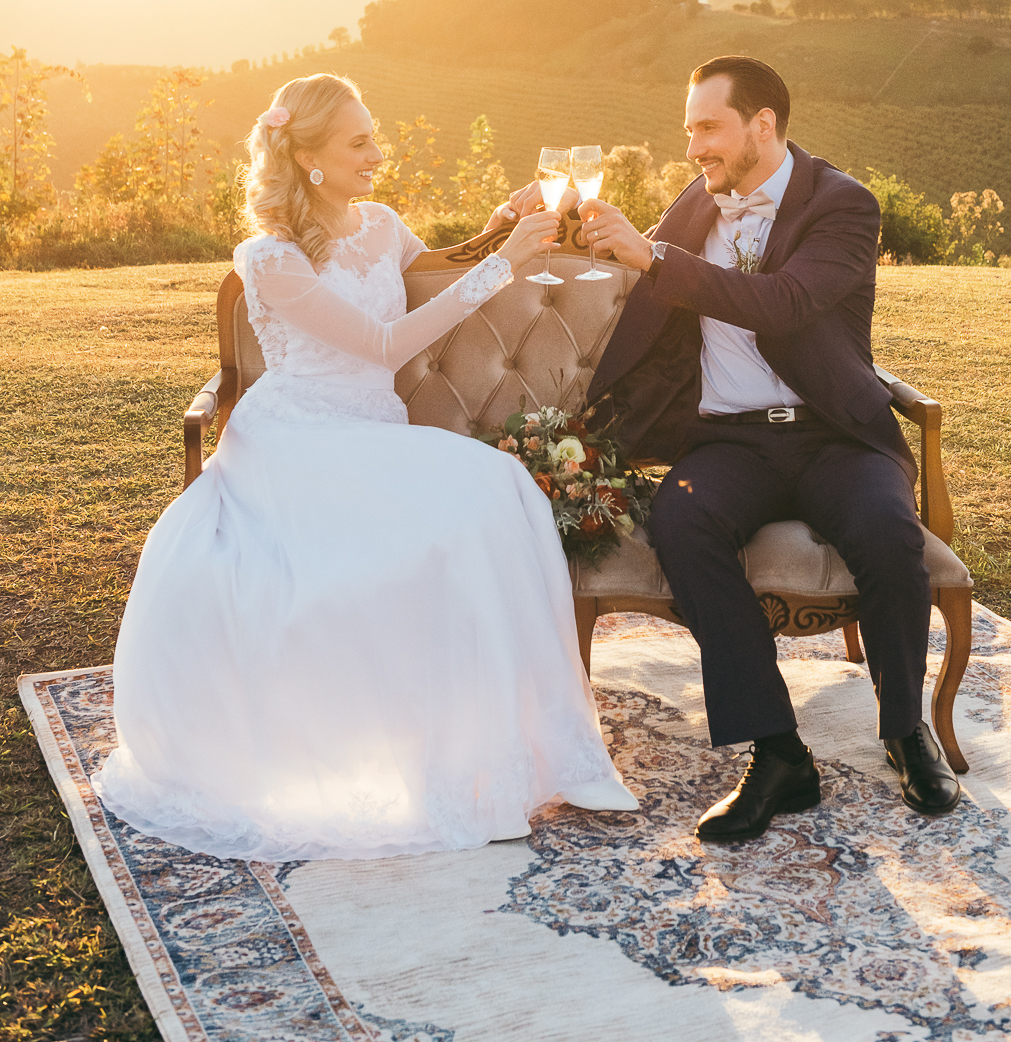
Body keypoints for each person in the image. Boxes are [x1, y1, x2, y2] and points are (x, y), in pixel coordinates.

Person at [94, 72, 636, 861]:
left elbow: (438, 267)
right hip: (297, 446)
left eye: (374, 136)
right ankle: (462, 778)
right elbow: (383, 344)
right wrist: (506, 266)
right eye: (359, 142)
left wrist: (501, 225)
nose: (378, 155)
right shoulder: (269, 259)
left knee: (502, 490)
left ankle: (554, 755)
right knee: (459, 515)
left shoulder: (380, 223)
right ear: (308, 158)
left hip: (375, 435)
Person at [578, 54, 959, 844]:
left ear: (762, 125)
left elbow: (784, 304)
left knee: (890, 538)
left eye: (707, 128)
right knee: (680, 525)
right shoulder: (695, 204)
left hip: (834, 434)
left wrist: (655, 258)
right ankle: (777, 752)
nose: (693, 148)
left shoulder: (843, 204)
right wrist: (555, 228)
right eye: (688, 131)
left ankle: (903, 730)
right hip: (729, 441)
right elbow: (633, 275)